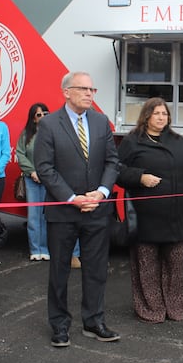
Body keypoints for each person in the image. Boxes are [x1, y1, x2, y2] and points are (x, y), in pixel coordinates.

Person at [34, 71, 121, 346]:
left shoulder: (99, 121)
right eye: (83, 89)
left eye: (92, 89)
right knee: (59, 270)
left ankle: (94, 321)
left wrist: (102, 192)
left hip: (96, 209)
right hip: (64, 211)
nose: (89, 93)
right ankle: (59, 324)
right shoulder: (49, 124)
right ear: (66, 92)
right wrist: (71, 198)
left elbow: (112, 162)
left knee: (95, 269)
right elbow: (45, 168)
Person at [117, 97, 183, 323]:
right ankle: (151, 309)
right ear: (146, 116)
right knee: (146, 266)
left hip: (175, 216)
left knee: (175, 265)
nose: (161, 117)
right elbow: (116, 169)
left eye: (164, 114)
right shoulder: (132, 142)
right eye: (156, 114)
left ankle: (173, 307)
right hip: (145, 216)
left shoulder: (177, 141)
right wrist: (140, 177)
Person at [16, 103, 51, 261]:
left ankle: (45, 248)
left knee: (46, 216)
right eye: (39, 115)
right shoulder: (26, 134)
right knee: (33, 216)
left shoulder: (53, 133)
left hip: (49, 180)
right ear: (33, 118)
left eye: (45, 113)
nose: (42, 117)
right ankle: (35, 249)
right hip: (31, 180)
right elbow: (20, 154)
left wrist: (44, 173)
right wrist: (32, 172)